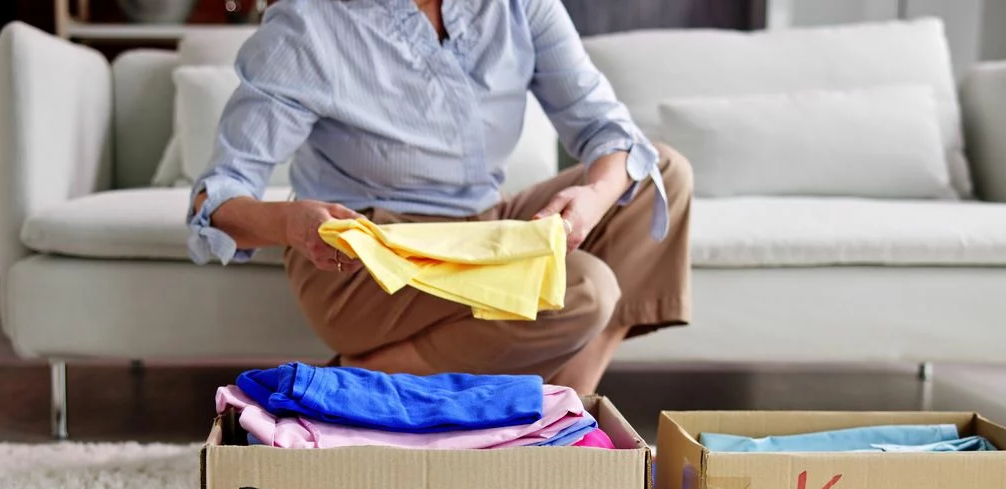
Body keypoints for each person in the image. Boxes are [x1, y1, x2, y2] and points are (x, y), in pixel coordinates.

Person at [187, 0, 691, 394]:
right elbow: (217, 199)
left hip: (481, 228)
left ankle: (569, 404)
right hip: (369, 257)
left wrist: (595, 196)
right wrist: (289, 223)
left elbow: (609, 129)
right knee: (582, 288)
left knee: (658, 172)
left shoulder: (517, 7)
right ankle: (369, 378)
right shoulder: (308, 25)